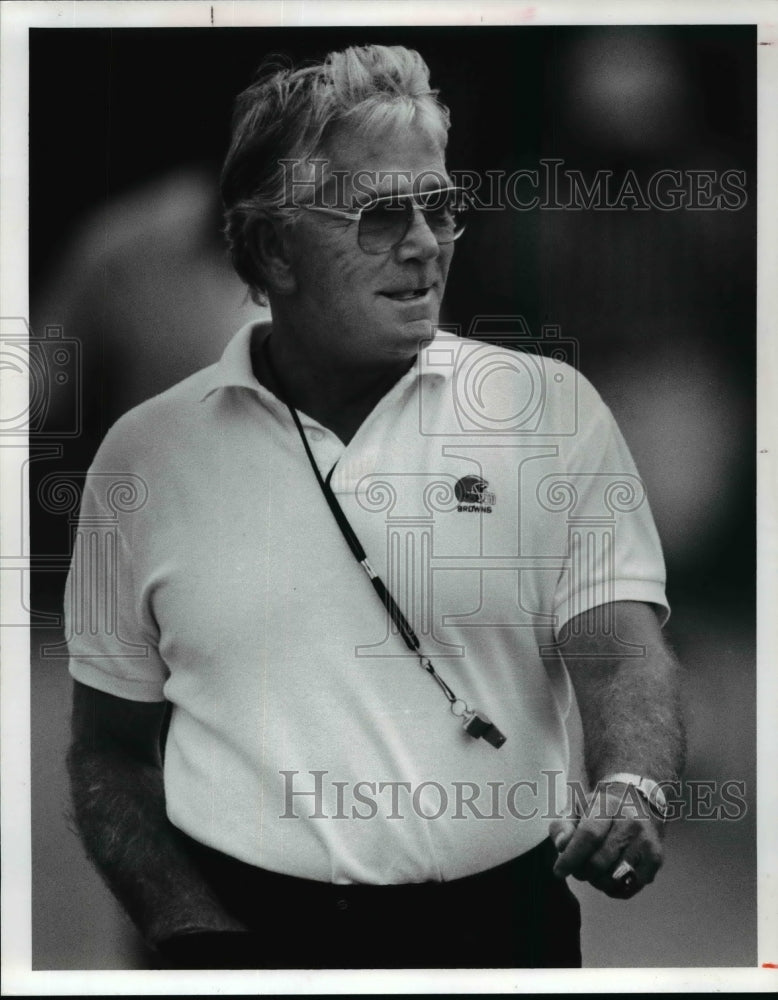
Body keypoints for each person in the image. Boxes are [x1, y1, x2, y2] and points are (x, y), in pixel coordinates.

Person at [65, 44, 685, 970]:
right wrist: (191, 935)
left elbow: (619, 646)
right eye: (381, 215)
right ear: (273, 246)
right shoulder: (145, 455)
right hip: (237, 929)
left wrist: (633, 783)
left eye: (440, 208)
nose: (427, 243)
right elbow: (107, 755)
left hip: (502, 932)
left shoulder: (551, 412)